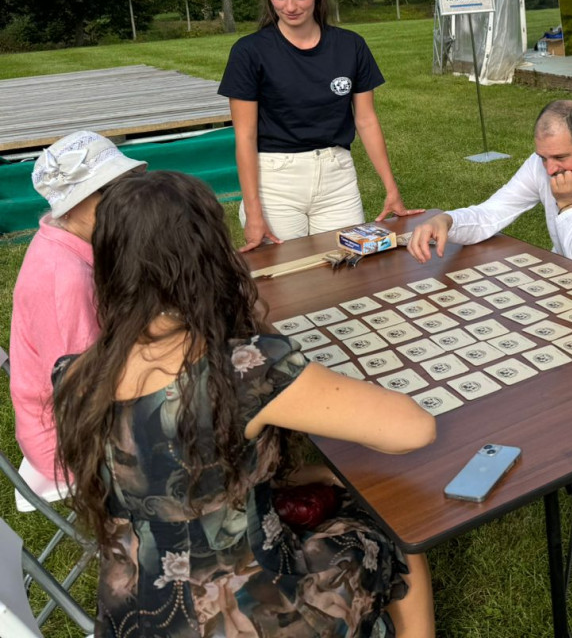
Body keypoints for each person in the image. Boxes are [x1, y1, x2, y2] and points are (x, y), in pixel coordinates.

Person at [51, 170, 438, 638]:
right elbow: (414, 429)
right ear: (208, 257)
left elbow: (174, 473)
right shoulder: (244, 368)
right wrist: (243, 320)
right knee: (392, 524)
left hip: (137, 614)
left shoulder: (72, 374)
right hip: (246, 615)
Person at [219, 0, 418, 251]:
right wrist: (253, 209)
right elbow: (244, 136)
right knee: (287, 283)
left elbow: (366, 121)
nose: (290, 6)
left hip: (337, 177)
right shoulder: (249, 52)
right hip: (275, 181)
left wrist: (391, 188)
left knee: (347, 274)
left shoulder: (351, 46)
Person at [9, 130, 145, 508]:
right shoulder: (64, 278)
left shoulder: (76, 239)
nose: (125, 198)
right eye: (108, 190)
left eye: (125, 184)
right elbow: (83, 388)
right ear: (71, 204)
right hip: (70, 437)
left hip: (75, 408)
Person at [408, 100, 572, 291]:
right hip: (567, 272)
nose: (550, 169)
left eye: (560, 157)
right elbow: (494, 211)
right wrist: (447, 220)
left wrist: (568, 204)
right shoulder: (541, 163)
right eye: (543, 157)